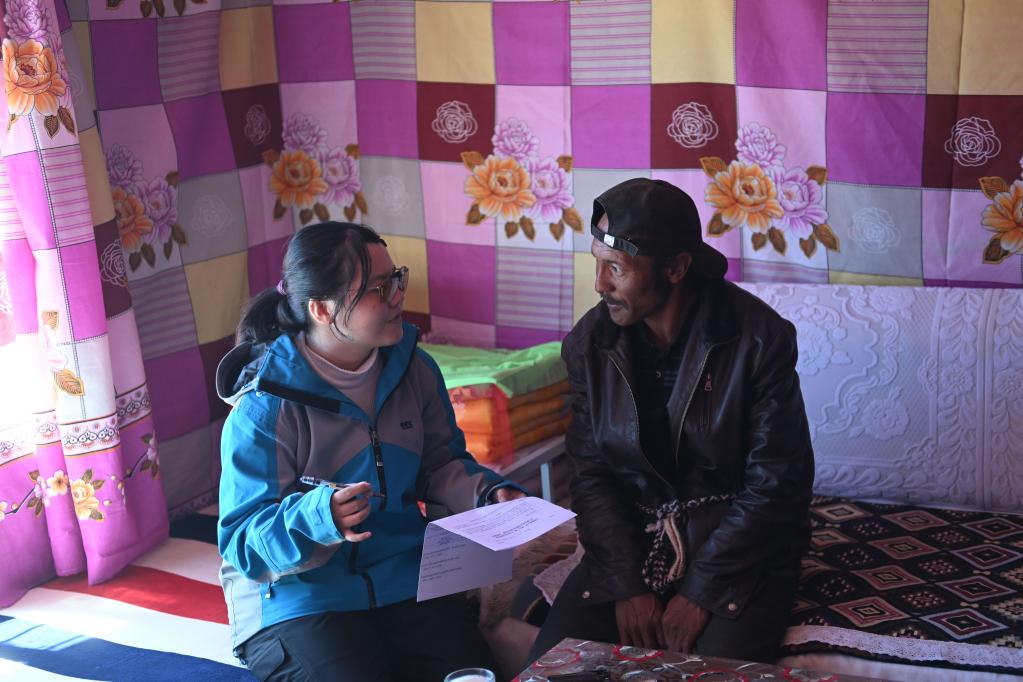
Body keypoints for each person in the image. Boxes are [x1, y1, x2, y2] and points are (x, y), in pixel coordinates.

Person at [216, 221, 525, 681]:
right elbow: (243, 542)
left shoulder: (415, 370)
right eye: (379, 289)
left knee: (472, 675)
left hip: (403, 578)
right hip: (298, 598)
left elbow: (440, 466)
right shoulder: (265, 406)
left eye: (396, 278)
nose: (398, 296)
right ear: (322, 309)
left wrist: (489, 495)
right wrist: (320, 518)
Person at [527, 179, 814, 664]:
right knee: (555, 667)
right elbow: (592, 475)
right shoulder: (589, 344)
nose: (599, 284)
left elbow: (777, 482)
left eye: (616, 268)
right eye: (597, 263)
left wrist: (701, 590)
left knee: (709, 669)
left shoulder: (759, 339)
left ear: (676, 268)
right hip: (632, 544)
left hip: (737, 552)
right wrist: (627, 584)